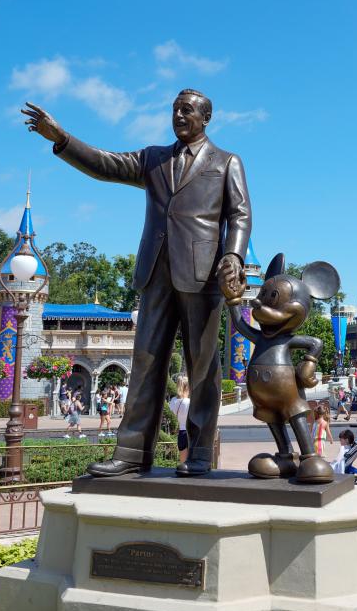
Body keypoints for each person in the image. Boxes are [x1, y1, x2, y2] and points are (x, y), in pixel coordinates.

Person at [25, 90, 251, 478]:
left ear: (206, 117)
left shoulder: (226, 161)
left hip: (203, 274)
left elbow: (241, 214)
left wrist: (233, 255)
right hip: (155, 273)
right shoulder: (153, 158)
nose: (179, 115)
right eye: (175, 109)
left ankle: (198, 454)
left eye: (187, 110)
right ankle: (132, 452)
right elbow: (106, 164)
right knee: (146, 361)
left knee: (201, 367)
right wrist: (63, 139)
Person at [168, 375, 191, 461]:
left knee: (183, 461)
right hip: (190, 433)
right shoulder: (189, 402)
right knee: (192, 462)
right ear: (187, 387)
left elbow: (172, 415)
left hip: (181, 432)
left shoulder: (173, 400)